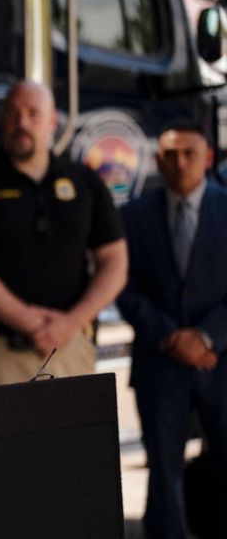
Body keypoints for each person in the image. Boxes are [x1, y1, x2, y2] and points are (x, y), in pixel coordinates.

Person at [0, 79, 127, 388]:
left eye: (33, 113)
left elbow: (115, 263)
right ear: (2, 120)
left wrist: (69, 324)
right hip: (0, 353)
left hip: (71, 347)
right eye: (13, 114)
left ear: (52, 121)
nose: (22, 123)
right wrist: (31, 323)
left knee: (75, 437)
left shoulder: (84, 182)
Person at [117, 122, 227, 539]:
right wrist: (170, 337)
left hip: (221, 361)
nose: (180, 163)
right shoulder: (134, 215)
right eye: (171, 155)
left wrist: (206, 337)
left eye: (190, 154)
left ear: (208, 158)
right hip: (159, 363)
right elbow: (124, 288)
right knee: (164, 474)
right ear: (158, 160)